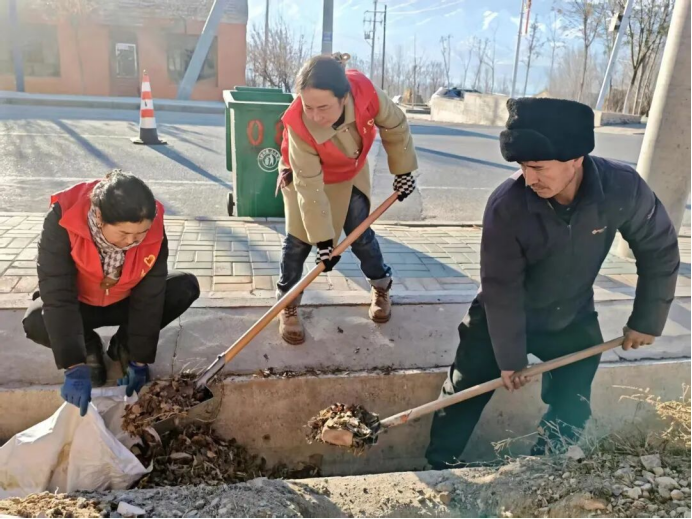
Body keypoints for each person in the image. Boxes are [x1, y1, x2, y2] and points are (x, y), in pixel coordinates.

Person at [425, 98, 680, 468]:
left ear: (575, 159)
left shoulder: (621, 187)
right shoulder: (507, 205)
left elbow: (659, 249)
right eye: (522, 167)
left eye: (538, 168)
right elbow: (501, 287)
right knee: (463, 391)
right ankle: (439, 466)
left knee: (573, 400)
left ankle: (546, 468)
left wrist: (647, 320)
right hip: (501, 317)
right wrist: (511, 358)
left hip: (570, 315)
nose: (529, 178)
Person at [23, 171, 200, 416]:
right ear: (99, 216)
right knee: (36, 320)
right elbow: (58, 293)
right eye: (123, 234)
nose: (132, 241)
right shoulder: (62, 219)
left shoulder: (153, 227)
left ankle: (122, 346)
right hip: (80, 305)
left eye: (140, 233)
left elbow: (149, 297)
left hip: (124, 301)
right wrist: (73, 364)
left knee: (184, 287)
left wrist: (139, 358)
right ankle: (88, 346)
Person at [277, 53, 419, 345]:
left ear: (344, 98)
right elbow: (309, 187)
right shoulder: (298, 125)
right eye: (308, 106)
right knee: (298, 242)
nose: (315, 116)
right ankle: (287, 303)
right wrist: (324, 241)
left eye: (323, 107)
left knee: (360, 233)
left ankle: (381, 287)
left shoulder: (366, 92)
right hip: (305, 176)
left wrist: (403, 171)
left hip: (349, 171)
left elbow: (395, 124)